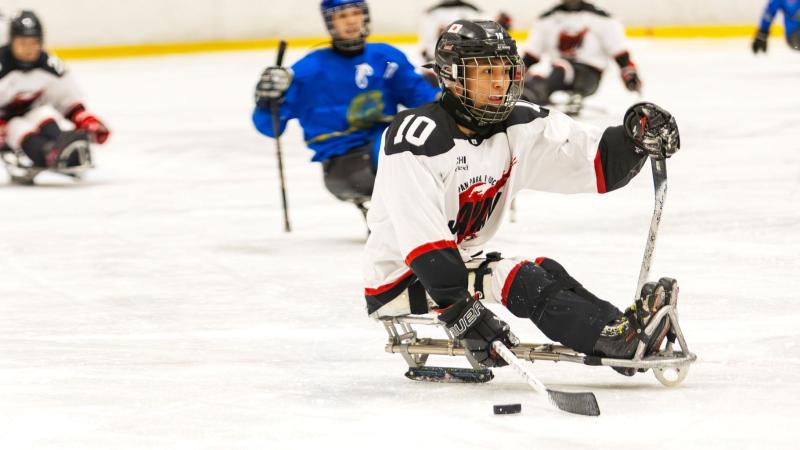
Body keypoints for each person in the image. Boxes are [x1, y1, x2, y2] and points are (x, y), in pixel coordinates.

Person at [362, 20, 681, 375]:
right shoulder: (416, 138)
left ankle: (619, 331)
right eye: (485, 71)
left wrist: (634, 138)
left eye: (505, 70)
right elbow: (424, 245)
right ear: (452, 77)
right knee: (518, 276)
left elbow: (595, 161)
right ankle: (616, 340)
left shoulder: (519, 124)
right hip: (402, 277)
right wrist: (460, 311)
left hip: (456, 265)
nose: (500, 82)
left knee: (546, 271)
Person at [252, 0, 440, 218]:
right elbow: (270, 127)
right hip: (343, 165)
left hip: (384, 149)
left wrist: (448, 99)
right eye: (342, 16)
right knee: (397, 141)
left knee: (421, 135)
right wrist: (267, 100)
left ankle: (405, 219)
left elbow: (422, 100)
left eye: (356, 13)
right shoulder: (310, 69)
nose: (351, 20)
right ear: (329, 22)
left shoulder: (386, 58)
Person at [0, 10, 110, 184]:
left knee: (44, 115)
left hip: (31, 111)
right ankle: (46, 152)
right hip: (6, 123)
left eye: (34, 43)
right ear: (11, 41)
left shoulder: (49, 65)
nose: (29, 49)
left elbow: (67, 100)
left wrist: (87, 121)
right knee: (18, 127)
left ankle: (64, 149)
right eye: (22, 42)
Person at [521, 0, 641, 113]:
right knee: (535, 79)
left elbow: (619, 52)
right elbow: (531, 56)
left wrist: (629, 73)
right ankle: (533, 93)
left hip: (589, 76)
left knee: (561, 68)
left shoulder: (601, 18)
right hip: (558, 73)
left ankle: (538, 94)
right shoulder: (546, 19)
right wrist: (515, 75)